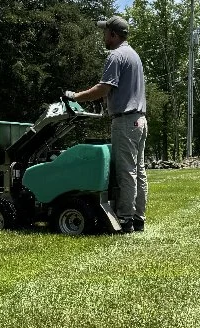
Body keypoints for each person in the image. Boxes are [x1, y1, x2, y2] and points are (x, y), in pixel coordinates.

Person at [65, 16, 148, 233]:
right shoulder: (134, 55)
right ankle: (138, 219)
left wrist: (75, 96)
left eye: (105, 32)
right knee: (138, 171)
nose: (103, 36)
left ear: (113, 34)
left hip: (126, 121)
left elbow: (103, 88)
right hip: (140, 120)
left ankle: (126, 219)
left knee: (126, 172)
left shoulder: (116, 55)